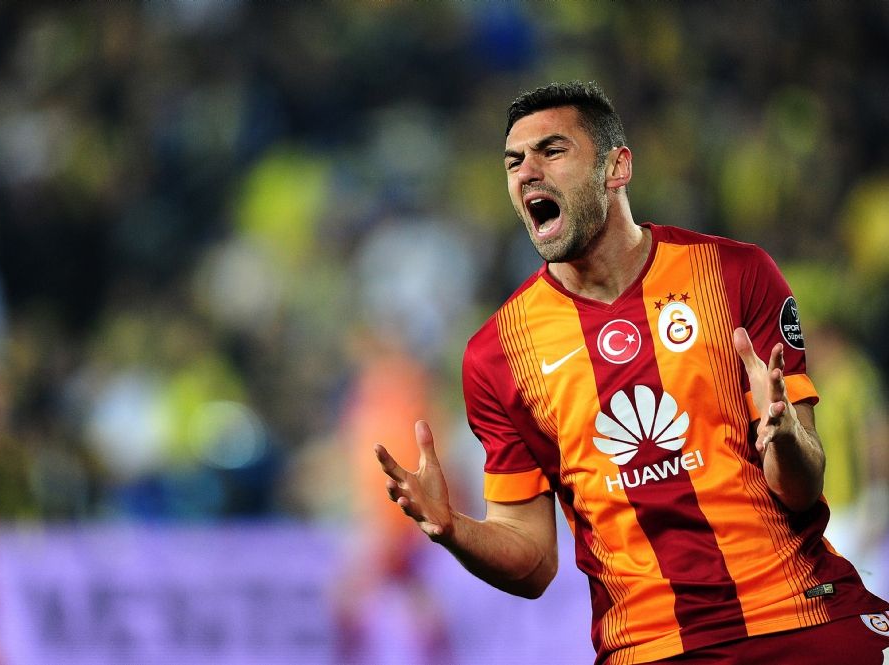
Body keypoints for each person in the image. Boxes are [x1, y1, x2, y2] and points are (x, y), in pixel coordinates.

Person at [374, 81, 889, 664]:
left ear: (617, 168)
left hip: (805, 612)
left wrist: (786, 438)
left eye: (552, 150)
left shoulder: (734, 274)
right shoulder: (497, 354)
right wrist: (452, 529)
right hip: (652, 647)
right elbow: (533, 562)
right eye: (514, 162)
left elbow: (801, 487)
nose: (527, 172)